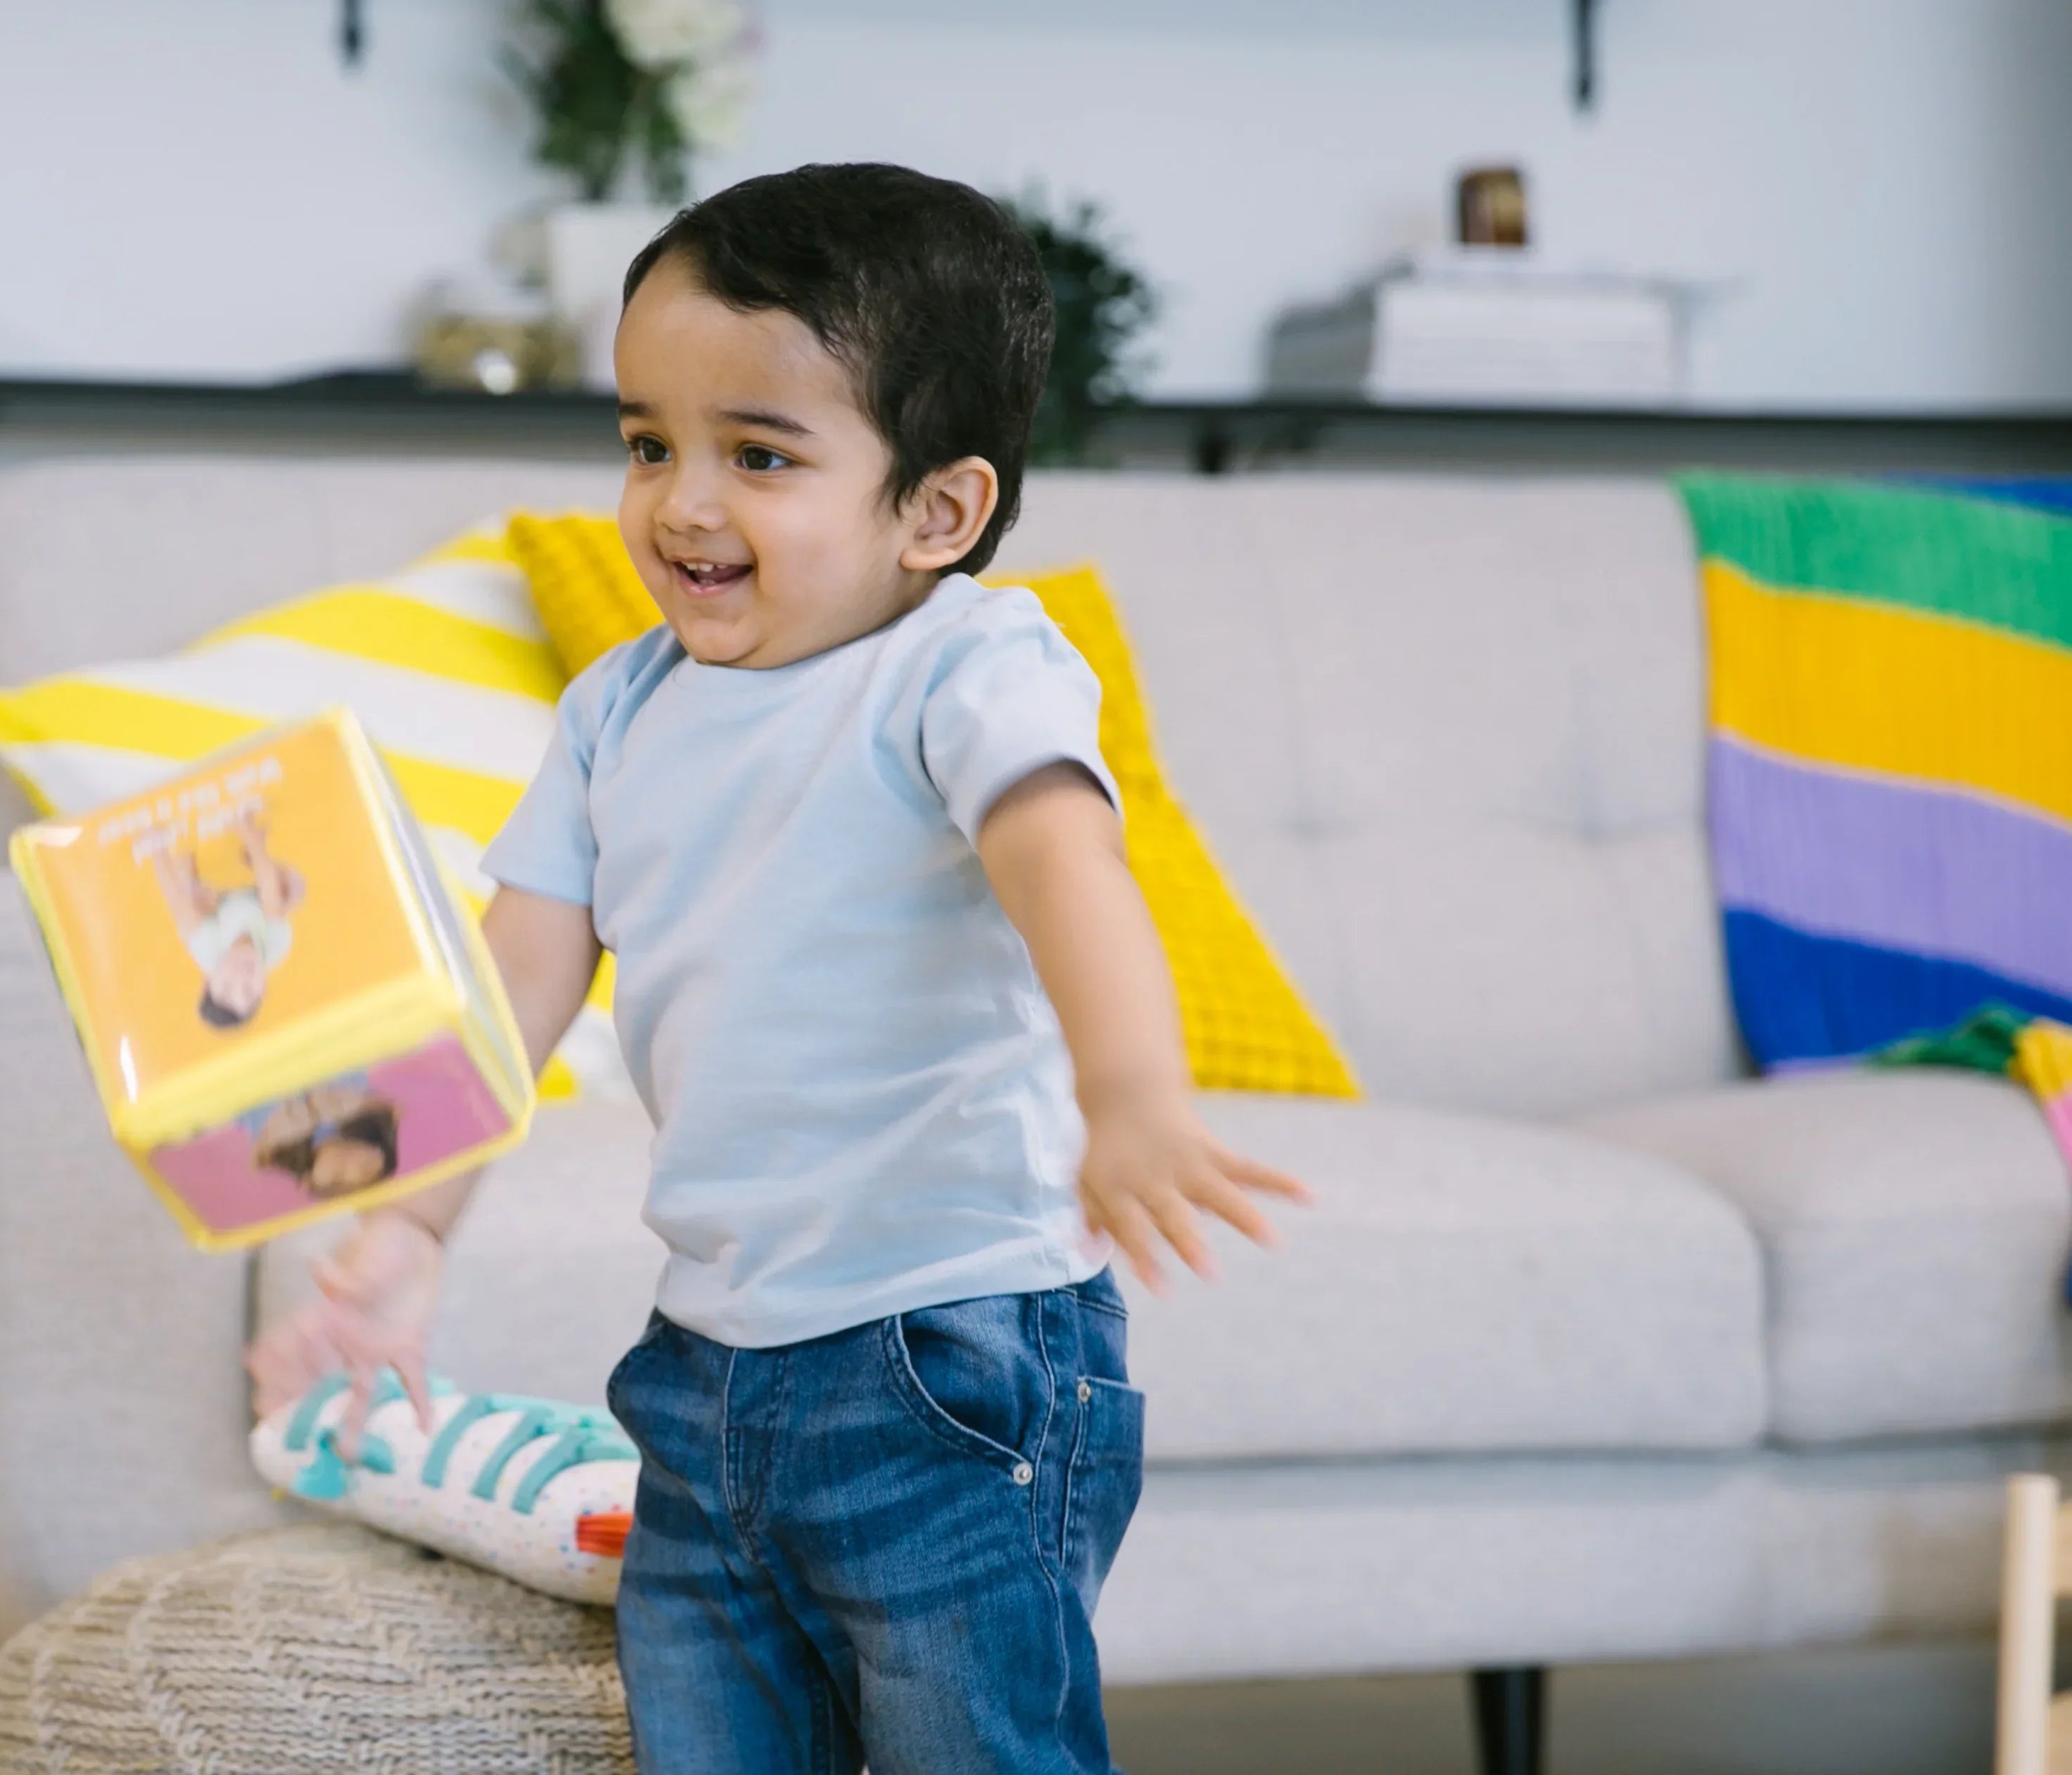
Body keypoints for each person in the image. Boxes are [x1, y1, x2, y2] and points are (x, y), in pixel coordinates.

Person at [244, 161, 1308, 1774]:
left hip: (952, 1355)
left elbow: (1062, 858)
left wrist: (1134, 1093)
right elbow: (508, 981)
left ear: (936, 511)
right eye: (647, 442)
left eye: (758, 455)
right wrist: (402, 1230)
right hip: (705, 1367)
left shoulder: (960, 663)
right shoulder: (615, 709)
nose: (681, 503)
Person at [149, 805, 304, 1029]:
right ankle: (251, 849)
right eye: (249, 990)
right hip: (254, 899)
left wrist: (157, 848)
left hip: (217, 907)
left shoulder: (207, 949)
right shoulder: (277, 945)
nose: (242, 977)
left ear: (209, 979)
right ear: (265, 989)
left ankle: (188, 862)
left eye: (228, 985)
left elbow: (175, 899)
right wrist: (248, 832)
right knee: (293, 891)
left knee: (188, 902)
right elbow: (271, 892)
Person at [246, 1080, 400, 1199]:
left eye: (337, 1177)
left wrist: (265, 1144)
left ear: (309, 1181)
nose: (349, 1163)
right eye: (365, 1166)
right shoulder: (354, 1101)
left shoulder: (275, 1139)